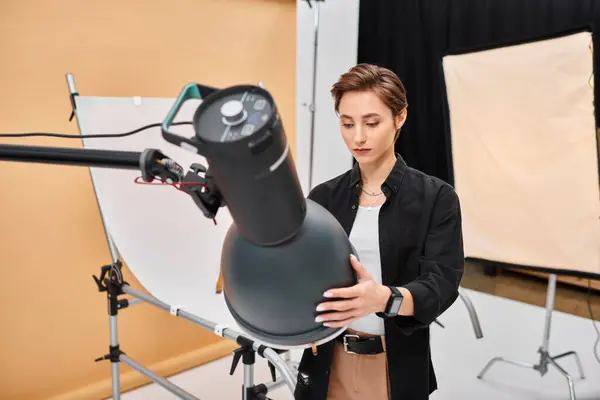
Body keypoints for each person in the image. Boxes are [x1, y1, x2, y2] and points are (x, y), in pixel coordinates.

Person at [293, 63, 465, 400]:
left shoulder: (437, 198)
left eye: (372, 123)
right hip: (325, 358)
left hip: (393, 363)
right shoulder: (323, 197)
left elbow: (442, 283)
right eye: (347, 123)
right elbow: (304, 271)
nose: (358, 137)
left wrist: (385, 298)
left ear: (399, 118)